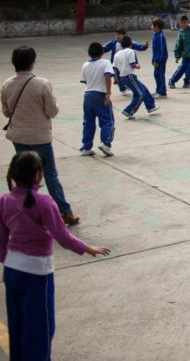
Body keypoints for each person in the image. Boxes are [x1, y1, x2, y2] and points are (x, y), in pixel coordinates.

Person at [0, 151, 111, 361]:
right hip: (36, 272)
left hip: (13, 270)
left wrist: (10, 259)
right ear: (37, 175)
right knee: (40, 328)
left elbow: (1, 239)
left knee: (18, 324)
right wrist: (87, 248)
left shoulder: (5, 200)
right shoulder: (43, 202)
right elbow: (62, 236)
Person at [1, 46, 80, 225]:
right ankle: (65, 212)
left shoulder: (6, 85)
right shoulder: (42, 84)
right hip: (40, 137)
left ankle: (26, 210)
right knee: (50, 173)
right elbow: (52, 111)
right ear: (32, 62)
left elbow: (6, 112)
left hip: (18, 136)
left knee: (24, 174)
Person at [80, 43, 115, 157]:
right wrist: (108, 92)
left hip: (88, 95)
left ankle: (86, 147)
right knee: (107, 121)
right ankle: (105, 143)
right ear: (102, 53)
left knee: (88, 122)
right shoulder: (105, 63)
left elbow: (85, 81)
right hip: (100, 94)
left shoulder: (85, 65)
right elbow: (107, 76)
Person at [113, 35, 159, 119]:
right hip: (129, 76)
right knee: (139, 94)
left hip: (123, 77)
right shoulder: (130, 51)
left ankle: (151, 106)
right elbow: (132, 64)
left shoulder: (117, 54)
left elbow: (115, 68)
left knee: (143, 89)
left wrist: (116, 78)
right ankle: (128, 111)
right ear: (130, 44)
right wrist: (137, 66)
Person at [103, 27, 148, 96]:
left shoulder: (130, 42)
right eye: (116, 35)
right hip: (117, 62)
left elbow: (138, 46)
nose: (117, 36)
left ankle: (128, 85)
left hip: (127, 63)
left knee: (128, 76)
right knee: (118, 76)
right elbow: (105, 48)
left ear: (125, 35)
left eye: (119, 34)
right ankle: (122, 89)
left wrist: (144, 46)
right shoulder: (113, 43)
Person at [150, 17, 169, 99]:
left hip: (161, 60)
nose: (151, 26)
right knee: (156, 74)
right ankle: (158, 90)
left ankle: (162, 92)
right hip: (156, 59)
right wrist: (153, 59)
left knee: (160, 75)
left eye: (152, 25)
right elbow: (155, 50)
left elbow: (160, 50)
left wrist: (157, 60)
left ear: (156, 26)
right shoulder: (155, 35)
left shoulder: (160, 36)